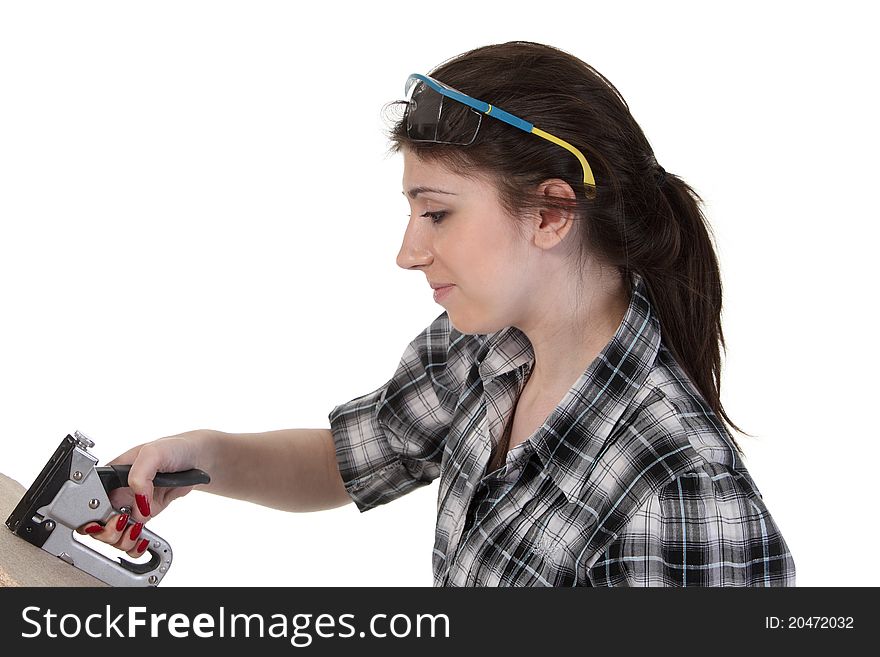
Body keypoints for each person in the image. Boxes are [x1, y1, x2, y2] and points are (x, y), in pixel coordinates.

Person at [79, 41, 796, 586]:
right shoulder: (483, 349)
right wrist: (204, 457)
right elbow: (350, 458)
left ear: (551, 212)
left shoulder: (679, 494)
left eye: (437, 213)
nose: (408, 251)